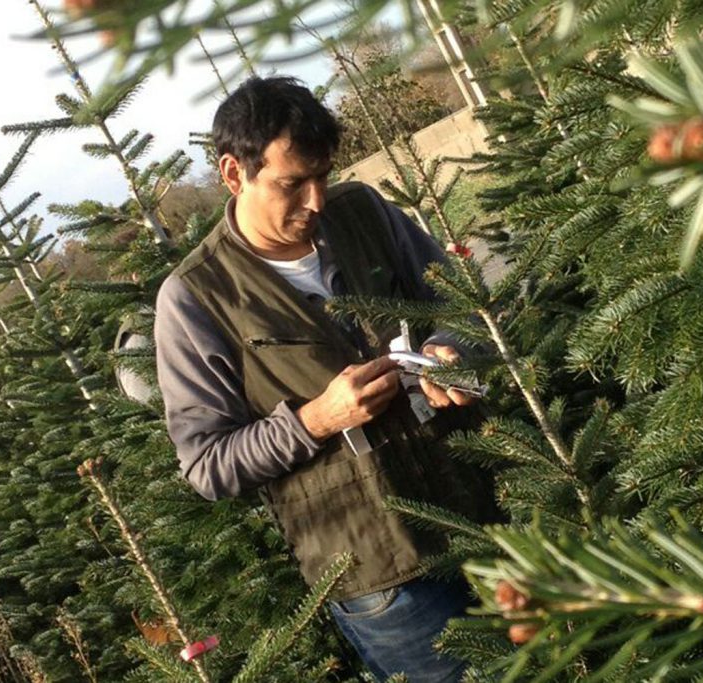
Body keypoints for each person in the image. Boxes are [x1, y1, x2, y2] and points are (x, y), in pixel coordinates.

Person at [154, 76, 495, 682]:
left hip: (489, 506)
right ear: (234, 174)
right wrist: (318, 418)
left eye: (323, 176)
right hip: (382, 576)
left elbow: (463, 304)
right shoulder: (195, 297)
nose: (315, 201)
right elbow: (207, 466)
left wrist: (450, 347)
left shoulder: (362, 213)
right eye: (291, 184)